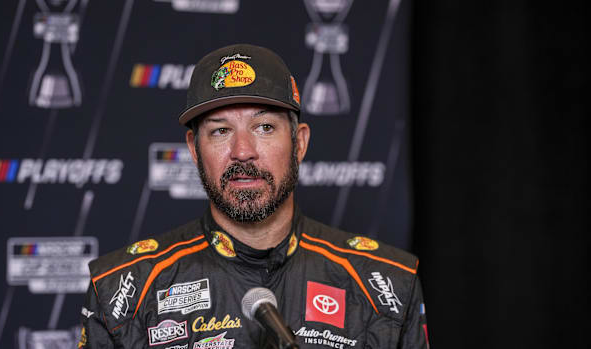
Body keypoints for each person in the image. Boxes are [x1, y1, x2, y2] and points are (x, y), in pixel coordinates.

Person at [78, 44, 428, 349]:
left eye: (264, 127)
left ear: (300, 143)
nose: (242, 151)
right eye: (220, 130)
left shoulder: (387, 284)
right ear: (195, 150)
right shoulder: (122, 290)